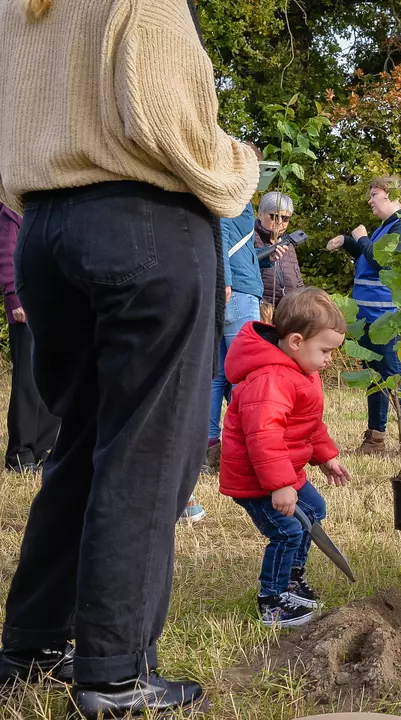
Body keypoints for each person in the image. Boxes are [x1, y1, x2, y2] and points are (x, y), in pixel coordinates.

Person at [0, 0, 258, 715]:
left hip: (44, 231)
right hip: (141, 221)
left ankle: (33, 644)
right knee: (145, 453)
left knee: (79, 444)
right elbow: (172, 123)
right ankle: (115, 673)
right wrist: (240, 163)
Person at [218, 288, 351, 627]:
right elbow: (264, 437)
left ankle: (291, 578)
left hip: (284, 470)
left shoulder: (301, 371)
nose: (329, 359)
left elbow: (308, 423)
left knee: (315, 509)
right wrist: (280, 485)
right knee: (288, 531)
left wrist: (326, 457)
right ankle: (273, 600)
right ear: (295, 341)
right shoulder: (270, 378)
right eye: (325, 350)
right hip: (257, 479)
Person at [326, 176, 401, 457]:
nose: (370, 200)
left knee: (396, 376)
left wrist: (363, 238)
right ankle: (375, 438)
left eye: (374, 194)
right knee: (376, 378)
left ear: (393, 196)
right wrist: (348, 242)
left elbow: (384, 261)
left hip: (391, 319)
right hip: (371, 317)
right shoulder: (389, 227)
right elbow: (370, 256)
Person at [202, 175, 288, 479]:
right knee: (247, 376)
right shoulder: (233, 200)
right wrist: (224, 278)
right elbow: (221, 238)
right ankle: (247, 449)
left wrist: (264, 262)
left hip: (234, 290)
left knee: (219, 375)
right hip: (239, 295)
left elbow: (238, 251)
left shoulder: (233, 198)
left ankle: (210, 446)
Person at [0, 203, 59, 473]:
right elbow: (5, 254)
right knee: (27, 382)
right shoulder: (12, 209)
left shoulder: (55, 208)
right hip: (26, 307)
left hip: (55, 307)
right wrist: (14, 298)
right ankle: (20, 453)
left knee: (54, 379)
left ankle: (44, 448)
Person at [254, 192, 304, 314]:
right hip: (260, 310)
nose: (280, 222)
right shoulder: (250, 237)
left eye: (285, 218)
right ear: (260, 214)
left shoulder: (289, 244)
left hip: (287, 312)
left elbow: (297, 280)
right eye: (274, 216)